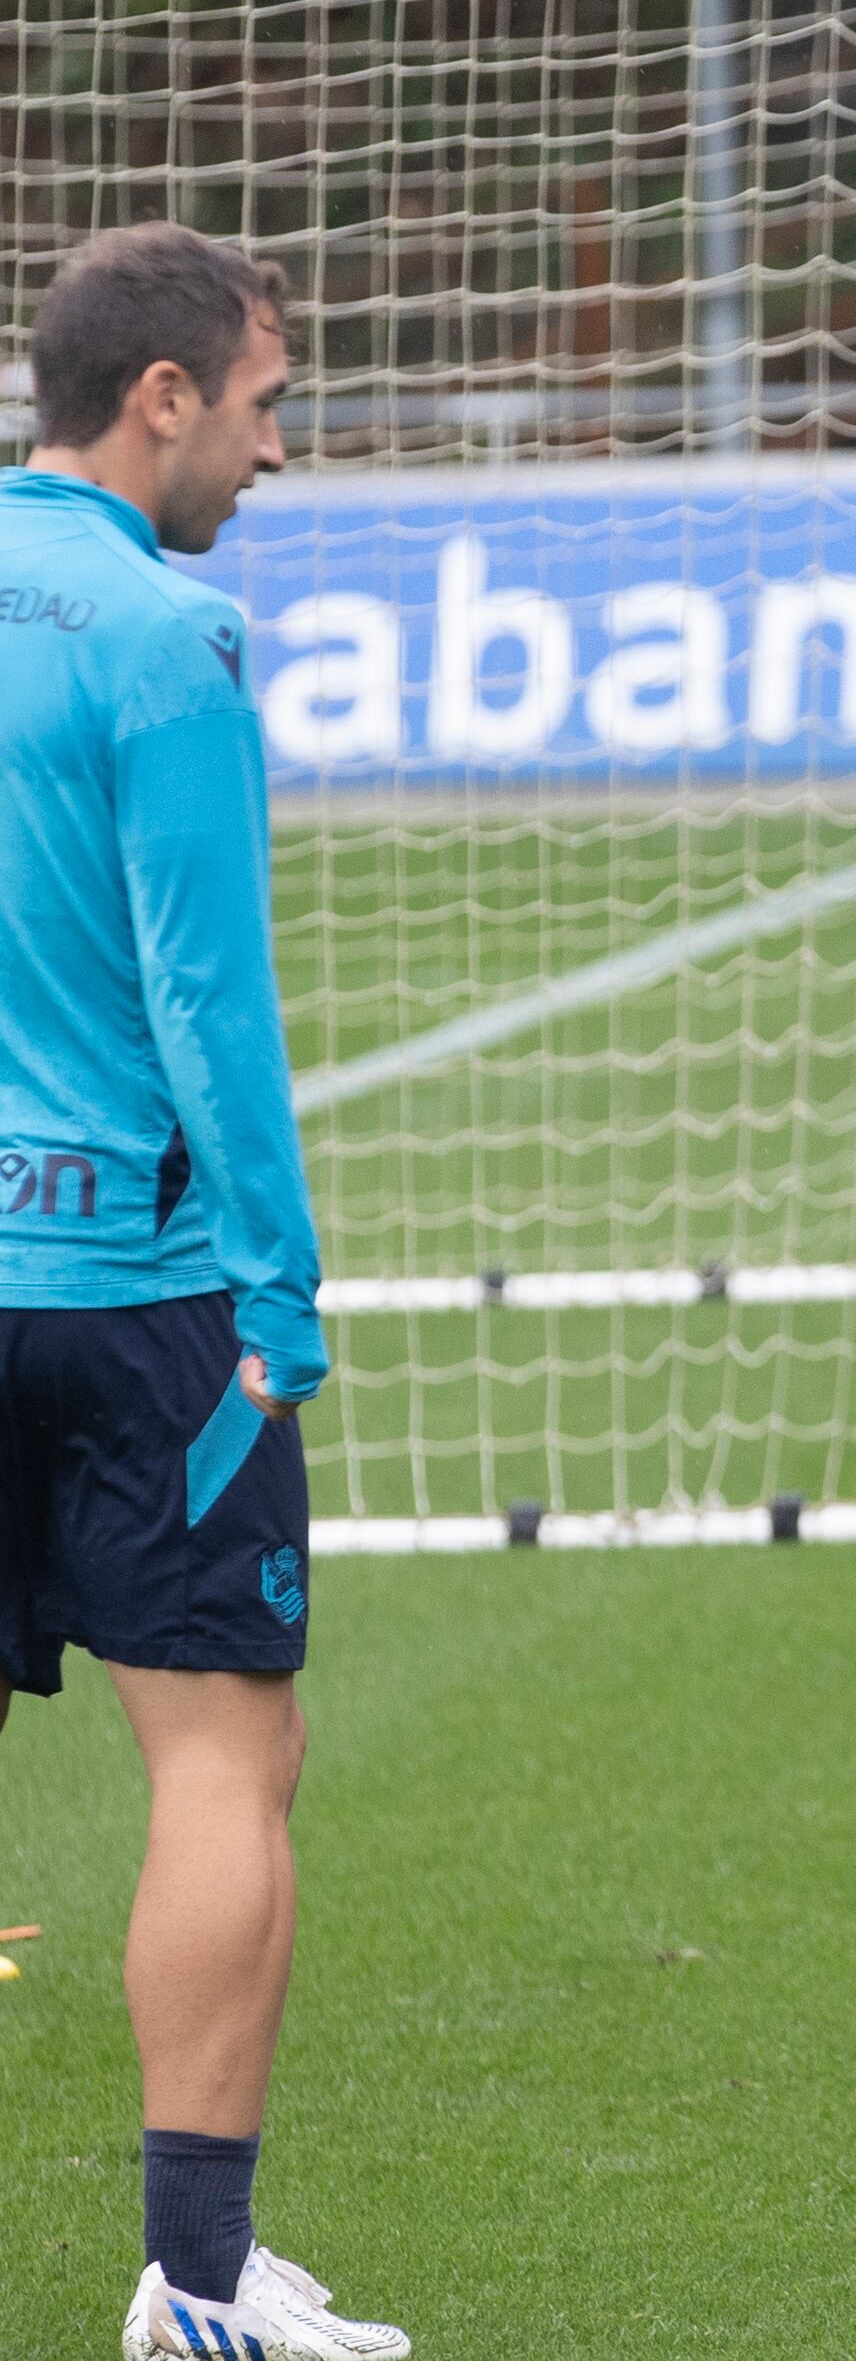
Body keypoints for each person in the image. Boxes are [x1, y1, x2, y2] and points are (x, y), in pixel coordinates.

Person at [0, 225, 409, 2361]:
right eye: (260, 405)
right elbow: (206, 1000)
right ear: (155, 397)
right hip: (141, 1288)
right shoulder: (170, 635)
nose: (274, 450)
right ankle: (199, 2287)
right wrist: (286, 1288)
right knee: (224, 1760)